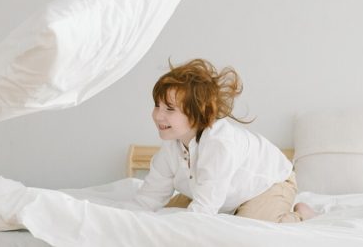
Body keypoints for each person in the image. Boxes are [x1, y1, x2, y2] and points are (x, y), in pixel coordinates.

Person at [128, 58, 317, 223]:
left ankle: (302, 215)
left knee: (250, 230)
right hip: (225, 192)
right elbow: (150, 197)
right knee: (168, 212)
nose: (158, 115)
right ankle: (232, 209)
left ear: (198, 113)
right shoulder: (172, 145)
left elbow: (203, 211)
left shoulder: (219, 144)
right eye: (156, 105)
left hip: (268, 184)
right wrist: (125, 219)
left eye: (169, 109)